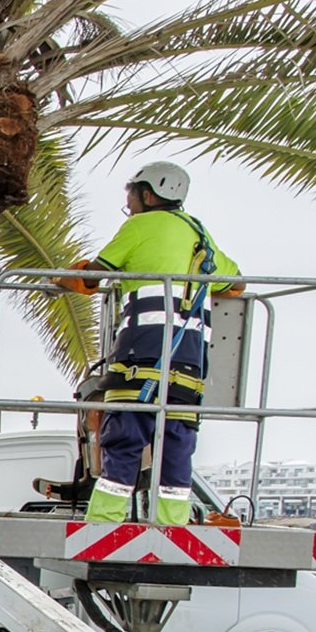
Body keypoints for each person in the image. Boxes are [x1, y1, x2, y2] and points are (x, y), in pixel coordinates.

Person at [59, 161, 241, 525]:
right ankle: (172, 524)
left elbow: (99, 273)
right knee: (176, 442)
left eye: (130, 192)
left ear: (148, 193)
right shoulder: (200, 235)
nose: (128, 201)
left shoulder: (139, 226)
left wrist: (67, 278)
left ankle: (104, 522)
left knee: (124, 436)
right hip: (189, 362)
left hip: (140, 352)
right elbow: (235, 283)